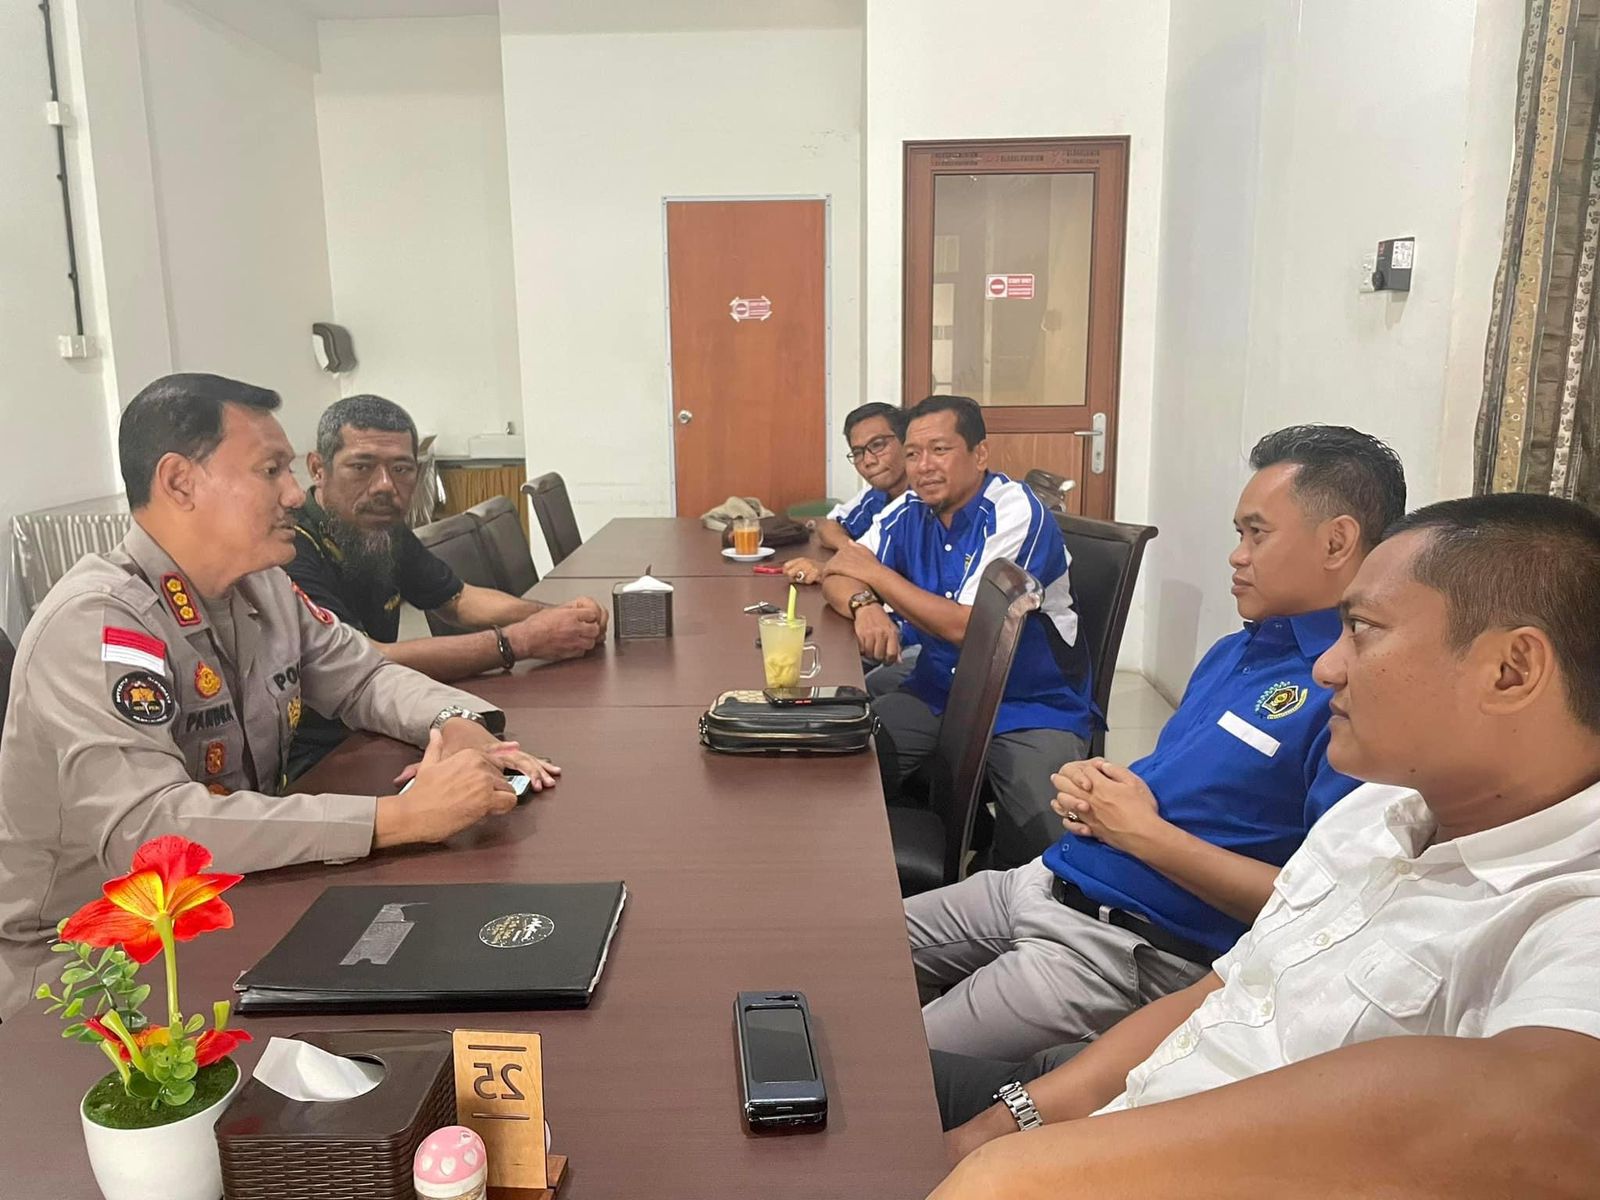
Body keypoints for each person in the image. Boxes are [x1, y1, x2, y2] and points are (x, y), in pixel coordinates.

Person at [930, 493, 1600, 1200]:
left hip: (1122, 1036)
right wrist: (1008, 1127)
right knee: (854, 1057)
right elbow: (1225, 993)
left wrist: (1024, 1168)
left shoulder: (1568, 905)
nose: (1328, 668)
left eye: (1363, 630)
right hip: (1112, 1084)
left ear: (1510, 671)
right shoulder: (1377, 807)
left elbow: (1547, 1114)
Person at [0, 373, 556, 1019]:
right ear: (179, 482)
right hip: (93, 967)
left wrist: (456, 720)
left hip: (234, 898)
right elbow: (150, 830)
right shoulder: (98, 622)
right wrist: (395, 819)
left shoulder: (261, 586)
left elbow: (364, 675)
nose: (294, 494)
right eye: (271, 471)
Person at [911, 426, 1405, 1082]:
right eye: (1239, 534)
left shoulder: (1352, 699)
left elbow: (1319, 909)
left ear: (1337, 542)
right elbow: (1180, 787)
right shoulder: (1240, 650)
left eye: (1257, 535)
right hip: (1047, 878)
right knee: (842, 953)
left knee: (889, 1068)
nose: (1236, 555)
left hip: (1122, 945)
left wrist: (1142, 833)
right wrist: (1103, 789)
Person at [821, 394, 1094, 869]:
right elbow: (839, 570)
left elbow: (970, 627)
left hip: (1028, 701)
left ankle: (987, 868)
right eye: (912, 453)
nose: (923, 466)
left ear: (980, 453)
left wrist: (876, 575)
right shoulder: (909, 509)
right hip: (939, 687)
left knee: (1047, 854)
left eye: (940, 450)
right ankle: (907, 868)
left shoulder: (1014, 510)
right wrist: (865, 606)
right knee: (842, 762)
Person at [286, 394, 606, 775]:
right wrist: (519, 641)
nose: (385, 486)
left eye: (401, 469)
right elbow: (365, 662)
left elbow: (458, 599)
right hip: (319, 757)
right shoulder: (290, 547)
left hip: (384, 724)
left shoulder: (382, 526)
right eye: (362, 467)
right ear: (317, 468)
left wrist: (558, 618)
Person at [782, 401, 911, 587]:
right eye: (858, 452)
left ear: (907, 442)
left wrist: (829, 568)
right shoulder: (876, 494)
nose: (868, 460)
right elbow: (828, 526)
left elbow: (899, 577)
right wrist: (850, 550)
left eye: (877, 445)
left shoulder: (924, 500)